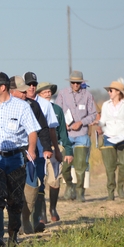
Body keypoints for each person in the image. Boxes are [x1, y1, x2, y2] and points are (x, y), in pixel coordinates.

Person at [0, 72, 40, 247]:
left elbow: (32, 131)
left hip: (16, 158)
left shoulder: (22, 107)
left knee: (15, 200)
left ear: (3, 87)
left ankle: (13, 238)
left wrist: (31, 150)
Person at [9, 75, 52, 234]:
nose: (25, 92)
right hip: (12, 154)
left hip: (30, 154)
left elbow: (43, 128)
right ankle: (16, 223)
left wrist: (46, 147)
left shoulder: (32, 106)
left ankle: (25, 218)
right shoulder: (1, 106)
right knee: (14, 189)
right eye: (21, 90)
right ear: (11, 91)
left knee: (33, 185)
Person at [24, 72, 60, 232]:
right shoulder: (19, 103)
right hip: (22, 152)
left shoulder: (44, 105)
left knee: (38, 185)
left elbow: (49, 129)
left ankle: (36, 219)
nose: (32, 87)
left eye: (34, 84)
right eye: (29, 84)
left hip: (38, 152)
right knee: (23, 187)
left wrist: (49, 148)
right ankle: (24, 221)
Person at [54, 70, 97, 202]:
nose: (75, 85)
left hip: (82, 135)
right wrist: (62, 124)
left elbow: (93, 114)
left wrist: (81, 122)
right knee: (65, 167)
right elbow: (56, 111)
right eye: (73, 82)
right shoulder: (62, 94)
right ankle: (69, 186)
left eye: (78, 82)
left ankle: (80, 192)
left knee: (80, 166)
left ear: (81, 82)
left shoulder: (88, 96)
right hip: (66, 136)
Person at [36, 82, 73, 222]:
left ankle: (53, 208)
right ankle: (41, 213)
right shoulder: (34, 108)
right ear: (38, 94)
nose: (48, 94)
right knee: (40, 181)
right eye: (44, 92)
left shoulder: (57, 110)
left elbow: (63, 133)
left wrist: (67, 150)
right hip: (39, 147)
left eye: (49, 91)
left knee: (54, 180)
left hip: (54, 147)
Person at [97, 80, 124, 200]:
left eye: (111, 90)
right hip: (109, 136)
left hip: (122, 136)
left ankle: (121, 188)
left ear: (118, 92)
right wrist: (99, 126)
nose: (109, 92)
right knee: (110, 166)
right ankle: (110, 192)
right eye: (108, 90)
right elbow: (103, 119)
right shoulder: (106, 105)